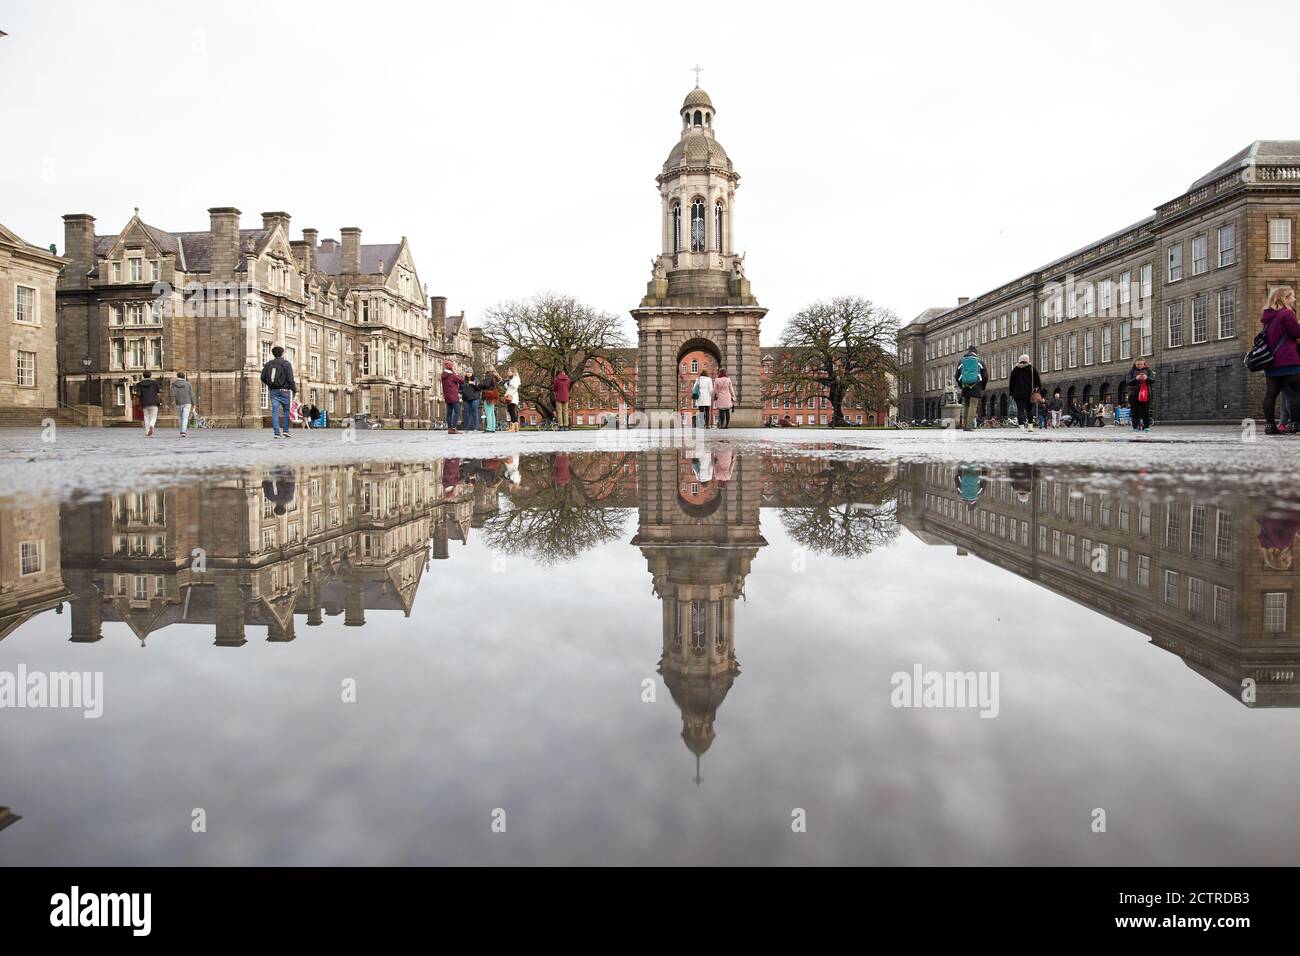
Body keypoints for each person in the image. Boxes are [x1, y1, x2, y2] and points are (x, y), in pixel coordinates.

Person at [1259, 287, 1300, 435]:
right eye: (1292, 297)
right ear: (1285, 298)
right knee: (1296, 392)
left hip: (1271, 361)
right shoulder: (1287, 314)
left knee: (1271, 394)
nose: (1294, 300)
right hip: (1288, 360)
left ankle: (1270, 426)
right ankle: (1295, 424)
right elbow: (1296, 332)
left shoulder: (1268, 316)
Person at [260, 345, 296, 438]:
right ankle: (285, 430)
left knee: (275, 412)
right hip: (285, 391)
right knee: (286, 411)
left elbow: (262, 377)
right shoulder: (286, 364)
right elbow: (290, 379)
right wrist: (294, 389)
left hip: (273, 391)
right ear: (282, 353)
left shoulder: (268, 364)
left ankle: (276, 433)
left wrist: (270, 385)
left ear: (273, 354)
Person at [954, 346, 988, 431]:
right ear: (975, 353)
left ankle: (965, 425)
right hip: (976, 386)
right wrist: (982, 386)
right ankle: (969, 426)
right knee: (973, 405)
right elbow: (985, 376)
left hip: (965, 386)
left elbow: (957, 375)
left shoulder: (961, 362)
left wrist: (961, 385)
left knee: (966, 405)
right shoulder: (979, 361)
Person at [1007, 354, 1042, 431]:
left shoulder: (1015, 370)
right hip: (1030, 394)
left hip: (1018, 394)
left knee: (1020, 410)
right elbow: (1038, 382)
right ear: (1028, 361)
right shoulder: (1032, 369)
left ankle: (1021, 427)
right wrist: (1038, 391)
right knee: (1029, 410)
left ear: (1019, 361)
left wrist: (1011, 393)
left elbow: (1011, 383)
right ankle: (1030, 427)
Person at [1126, 359, 1156, 433]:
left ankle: (1147, 427)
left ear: (1144, 363)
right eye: (1138, 364)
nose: (1139, 366)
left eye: (1141, 364)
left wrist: (1147, 378)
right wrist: (1136, 378)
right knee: (1134, 411)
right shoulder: (1131, 371)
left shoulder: (1148, 370)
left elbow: (1153, 380)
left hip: (1145, 394)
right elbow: (1128, 381)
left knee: (1145, 411)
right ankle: (1135, 427)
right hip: (1134, 394)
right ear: (1135, 364)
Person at [135, 371, 163, 437]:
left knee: (146, 417)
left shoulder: (139, 384)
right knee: (153, 417)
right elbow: (159, 391)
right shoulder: (155, 383)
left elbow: (138, 394)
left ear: (143, 375)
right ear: (150, 375)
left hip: (144, 402)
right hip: (154, 402)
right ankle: (152, 425)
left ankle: (147, 432)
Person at [170, 371, 195, 437]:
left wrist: (171, 402)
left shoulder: (173, 384)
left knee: (181, 417)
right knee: (185, 417)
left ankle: (181, 431)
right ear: (184, 377)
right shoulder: (188, 384)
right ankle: (183, 432)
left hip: (178, 402)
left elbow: (172, 394)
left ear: (177, 377)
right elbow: (192, 394)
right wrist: (194, 403)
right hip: (187, 402)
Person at [441, 360, 464, 434]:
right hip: (453, 395)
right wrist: (456, 374)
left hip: (447, 395)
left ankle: (449, 428)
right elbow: (461, 380)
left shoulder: (443, 374)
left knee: (449, 412)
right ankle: (454, 428)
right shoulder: (452, 375)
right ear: (451, 367)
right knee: (457, 411)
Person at [481, 366, 500, 432]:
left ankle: (489, 428)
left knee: (488, 413)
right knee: (492, 413)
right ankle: (493, 428)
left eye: (485, 367)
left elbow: (486, 385)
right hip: (493, 394)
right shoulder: (495, 376)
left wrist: (479, 385)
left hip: (488, 395)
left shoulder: (488, 375)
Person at [503, 366, 522, 433]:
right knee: (511, 411)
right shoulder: (512, 379)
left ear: (513, 372)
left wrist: (509, 381)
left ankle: (513, 427)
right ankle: (516, 427)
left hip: (513, 397)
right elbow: (509, 388)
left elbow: (514, 386)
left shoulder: (516, 378)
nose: (508, 372)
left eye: (509, 371)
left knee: (512, 411)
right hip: (510, 396)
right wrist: (505, 383)